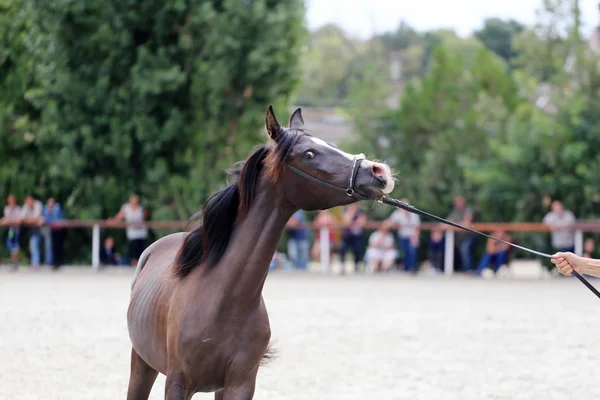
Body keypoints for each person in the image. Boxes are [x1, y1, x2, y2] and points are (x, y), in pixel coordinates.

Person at [110, 194, 149, 266]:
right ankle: (135, 265)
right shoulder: (126, 208)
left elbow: (144, 216)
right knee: (133, 250)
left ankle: (139, 265)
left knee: (140, 250)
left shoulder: (140, 208)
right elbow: (119, 217)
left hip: (141, 233)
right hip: (132, 234)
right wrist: (111, 221)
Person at [389, 199, 421, 272]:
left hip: (412, 237)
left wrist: (415, 238)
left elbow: (417, 227)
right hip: (403, 236)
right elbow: (390, 221)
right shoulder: (398, 213)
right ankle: (406, 269)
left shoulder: (413, 213)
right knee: (404, 252)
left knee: (412, 251)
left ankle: (412, 268)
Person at [446, 196, 475, 272]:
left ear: (463, 202)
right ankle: (459, 268)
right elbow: (448, 221)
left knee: (464, 249)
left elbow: (467, 222)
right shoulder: (455, 211)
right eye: (456, 202)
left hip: (469, 236)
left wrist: (453, 223)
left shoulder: (468, 209)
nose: (457, 204)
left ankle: (469, 269)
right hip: (458, 237)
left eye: (459, 202)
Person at [339, 204, 367, 273]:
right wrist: (353, 219)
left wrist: (351, 222)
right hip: (347, 236)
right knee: (343, 248)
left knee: (357, 250)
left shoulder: (360, 213)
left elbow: (361, 223)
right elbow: (346, 222)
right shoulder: (346, 212)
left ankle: (356, 265)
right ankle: (342, 265)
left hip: (357, 236)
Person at [20, 195, 44, 269]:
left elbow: (36, 218)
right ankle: (35, 263)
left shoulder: (38, 204)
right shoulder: (26, 206)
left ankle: (37, 263)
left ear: (32, 200)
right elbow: (21, 217)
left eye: (29, 202)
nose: (28, 204)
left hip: (42, 229)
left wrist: (27, 220)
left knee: (35, 244)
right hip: (31, 229)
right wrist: (31, 220)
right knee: (33, 244)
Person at [42, 197, 65, 269]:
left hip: (59, 230)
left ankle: (57, 263)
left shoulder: (57, 208)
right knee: (50, 246)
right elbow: (45, 219)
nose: (50, 204)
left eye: (52, 203)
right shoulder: (46, 209)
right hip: (50, 230)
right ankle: (51, 262)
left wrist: (48, 220)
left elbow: (56, 219)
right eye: (49, 203)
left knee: (58, 246)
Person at [1, 195, 21, 271]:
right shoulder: (7, 208)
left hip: (15, 229)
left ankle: (15, 263)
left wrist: (9, 220)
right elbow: (7, 218)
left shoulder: (17, 209)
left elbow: (17, 219)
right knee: (11, 245)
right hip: (10, 230)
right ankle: (14, 262)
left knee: (14, 245)